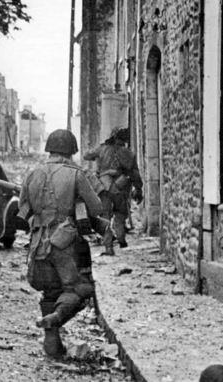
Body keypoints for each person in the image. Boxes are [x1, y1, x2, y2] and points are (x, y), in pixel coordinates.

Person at [19, 129, 104, 357]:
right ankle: (55, 318)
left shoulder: (32, 174)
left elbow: (23, 210)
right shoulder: (75, 174)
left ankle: (52, 345)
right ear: (70, 151)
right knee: (79, 288)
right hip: (65, 241)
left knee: (50, 290)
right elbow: (97, 209)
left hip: (38, 244)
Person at [83, 127, 143, 255]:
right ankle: (121, 238)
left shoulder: (103, 148)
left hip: (103, 186)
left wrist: (102, 145)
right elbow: (135, 174)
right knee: (120, 213)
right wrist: (138, 189)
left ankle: (109, 247)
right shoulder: (128, 153)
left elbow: (87, 155)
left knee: (105, 216)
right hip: (121, 187)